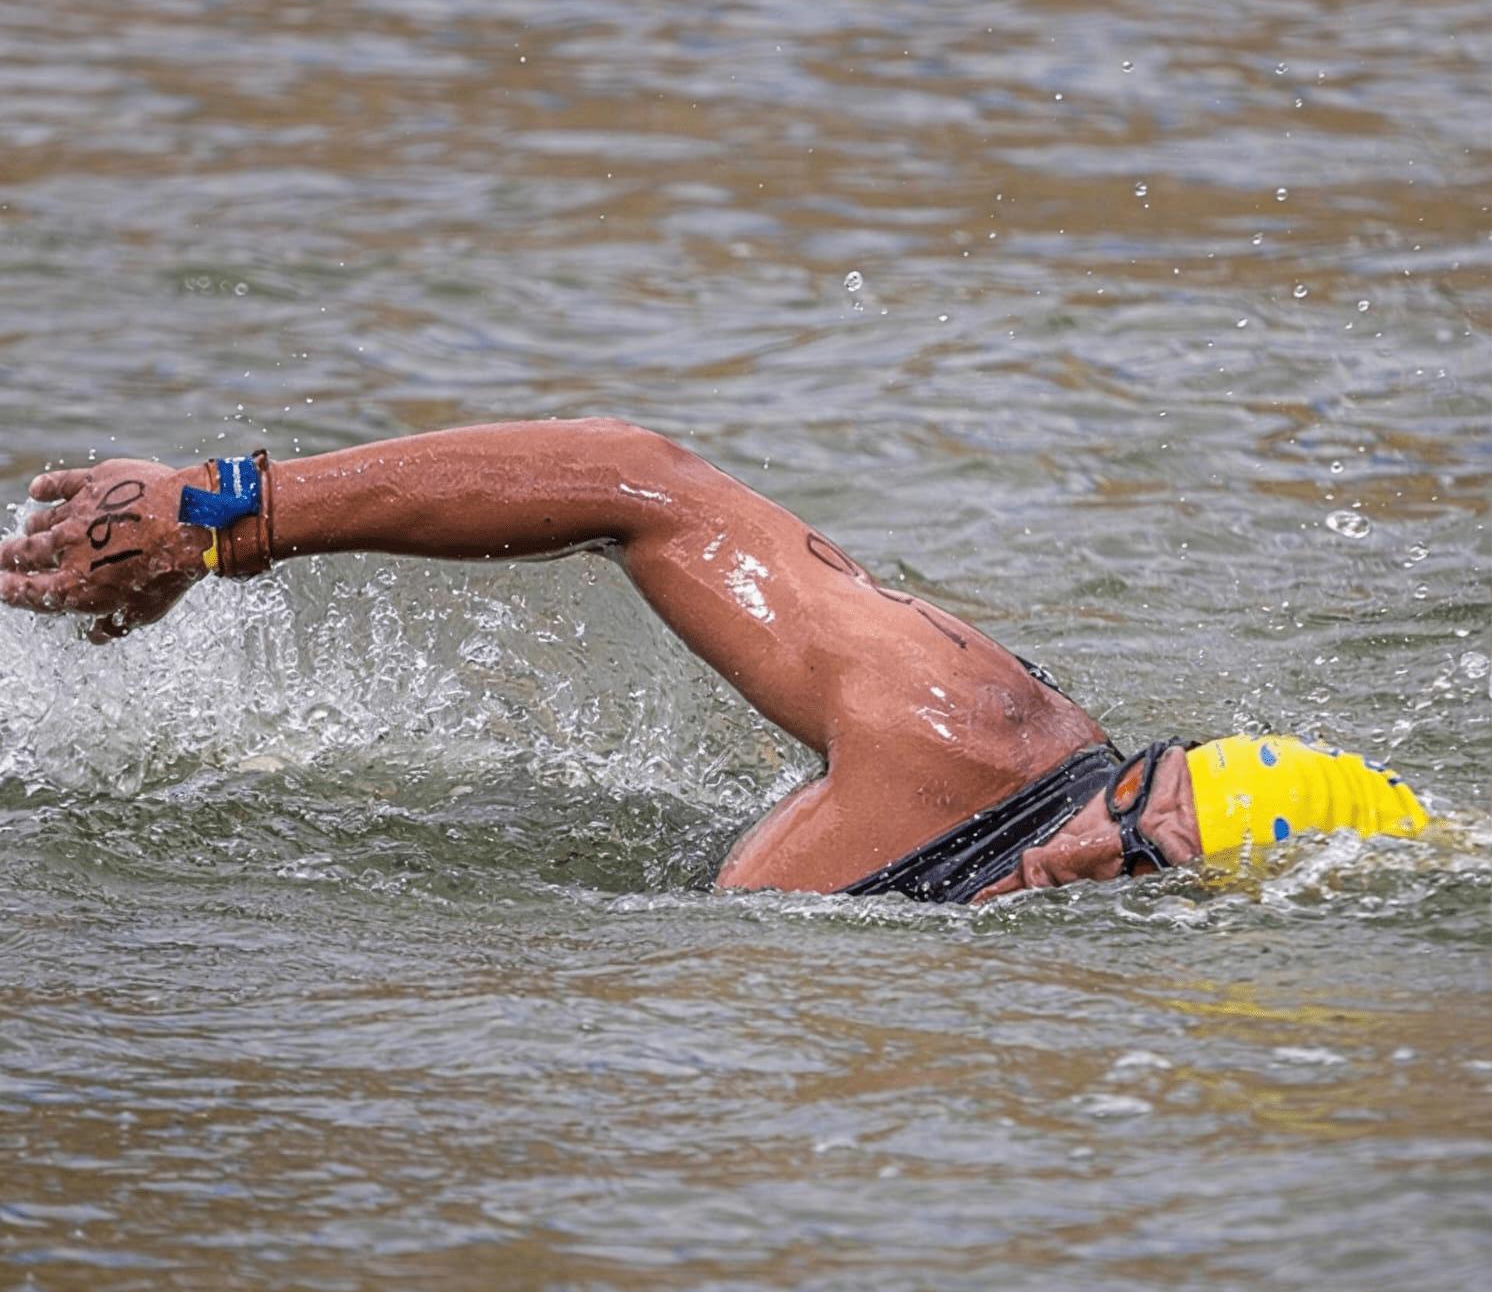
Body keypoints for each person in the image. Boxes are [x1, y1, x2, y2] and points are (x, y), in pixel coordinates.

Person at [0, 419, 1428, 901]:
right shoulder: (966, 735)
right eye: (1141, 816)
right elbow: (642, 482)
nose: (1089, 863)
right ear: (1149, 772)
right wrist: (225, 515)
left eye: (1153, 875)